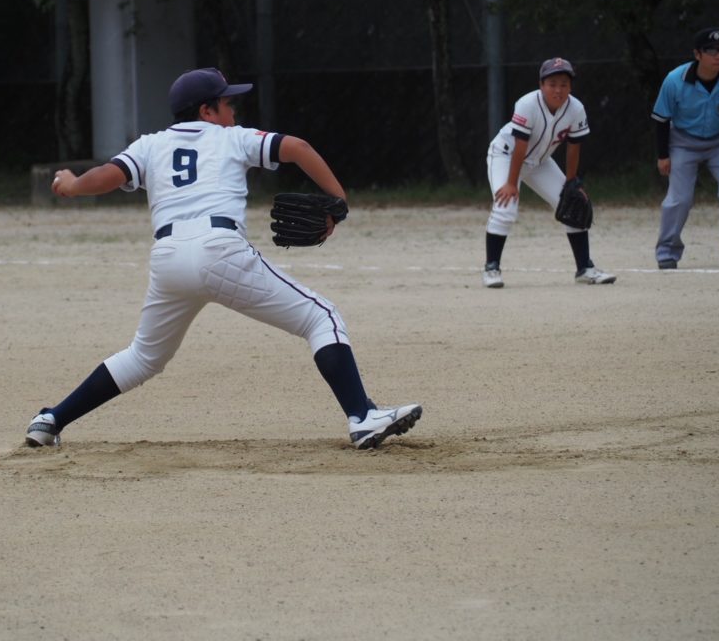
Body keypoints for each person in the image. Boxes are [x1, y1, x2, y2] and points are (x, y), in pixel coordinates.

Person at [24, 68, 421, 450]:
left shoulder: (150, 145)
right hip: (219, 250)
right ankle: (361, 417)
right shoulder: (232, 138)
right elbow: (298, 149)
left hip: (168, 258)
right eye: (228, 104)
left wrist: (72, 185)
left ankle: (51, 420)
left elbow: (107, 176)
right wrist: (339, 201)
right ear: (206, 111)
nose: (234, 111)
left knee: (143, 357)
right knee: (321, 317)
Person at [482, 57, 617, 288]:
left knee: (573, 205)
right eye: (552, 84)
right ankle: (491, 268)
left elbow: (574, 147)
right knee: (506, 207)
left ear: (570, 86)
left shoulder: (576, 109)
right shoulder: (527, 104)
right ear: (541, 85)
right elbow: (520, 146)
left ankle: (585, 269)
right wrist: (512, 183)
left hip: (540, 162)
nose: (558, 89)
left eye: (564, 84)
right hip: (506, 155)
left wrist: (571, 183)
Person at [651, 26, 719, 269]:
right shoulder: (674, 80)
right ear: (697, 54)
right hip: (682, 142)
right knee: (680, 197)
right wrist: (663, 155)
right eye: (711, 51)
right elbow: (661, 119)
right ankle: (667, 253)